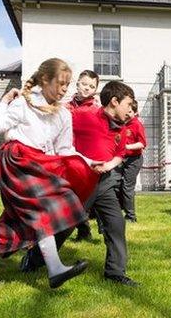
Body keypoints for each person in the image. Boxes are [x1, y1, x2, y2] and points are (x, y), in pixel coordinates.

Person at [0, 58, 99, 288]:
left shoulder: (63, 115)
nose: (65, 89)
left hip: (38, 165)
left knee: (13, 223)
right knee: (45, 206)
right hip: (17, 162)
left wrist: (91, 162)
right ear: (45, 80)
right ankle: (54, 269)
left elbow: (65, 150)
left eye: (67, 85)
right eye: (60, 83)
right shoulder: (24, 103)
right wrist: (3, 102)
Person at [20, 80, 139, 287]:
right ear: (114, 101)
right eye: (128, 104)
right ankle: (34, 258)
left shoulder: (122, 128)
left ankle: (115, 272)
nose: (130, 109)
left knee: (116, 225)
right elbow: (55, 117)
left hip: (106, 182)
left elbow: (120, 155)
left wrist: (109, 165)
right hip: (81, 181)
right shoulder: (84, 115)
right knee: (65, 226)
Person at [66, 69, 101, 241]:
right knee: (68, 194)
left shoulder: (95, 110)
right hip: (66, 155)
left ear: (95, 90)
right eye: (84, 84)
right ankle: (83, 228)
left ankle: (84, 228)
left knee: (82, 197)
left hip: (86, 158)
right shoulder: (66, 107)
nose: (87, 88)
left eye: (91, 86)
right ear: (77, 83)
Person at [119, 100, 147, 223]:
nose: (128, 114)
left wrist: (127, 147)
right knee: (116, 184)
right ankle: (119, 212)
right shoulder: (122, 124)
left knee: (127, 186)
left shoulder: (137, 124)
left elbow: (142, 144)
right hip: (121, 158)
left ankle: (131, 216)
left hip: (134, 159)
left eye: (130, 111)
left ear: (135, 112)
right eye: (127, 111)